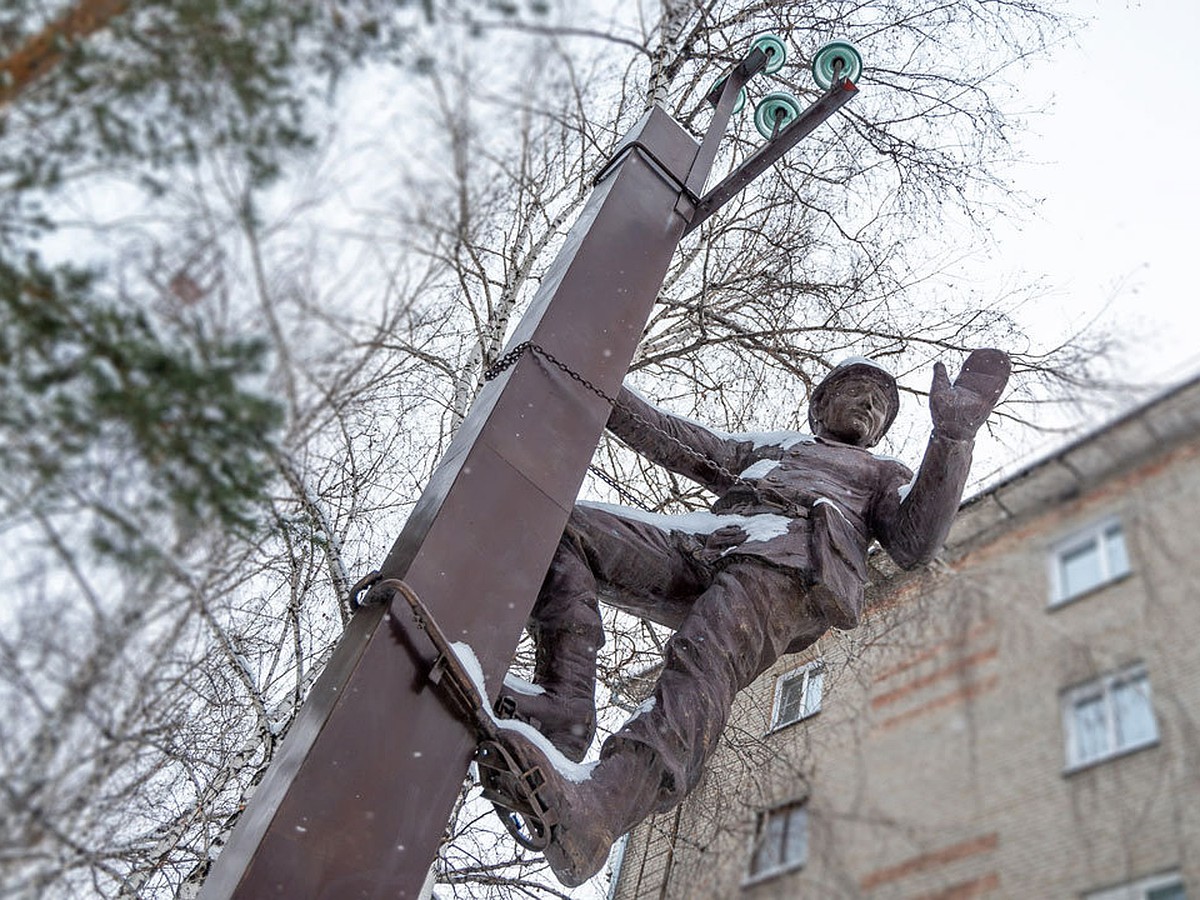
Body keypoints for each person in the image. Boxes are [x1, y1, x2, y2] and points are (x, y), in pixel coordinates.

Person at [489, 350, 1010, 887]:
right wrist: (594, 382)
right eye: (858, 391)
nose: (871, 406)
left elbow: (914, 542)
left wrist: (952, 439)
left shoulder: (880, 474)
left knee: (701, 667)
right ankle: (564, 704)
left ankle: (601, 809)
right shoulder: (774, 448)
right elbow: (675, 438)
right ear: (820, 404)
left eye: (882, 407)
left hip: (786, 567)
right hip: (705, 546)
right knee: (561, 527)